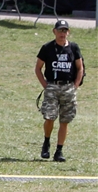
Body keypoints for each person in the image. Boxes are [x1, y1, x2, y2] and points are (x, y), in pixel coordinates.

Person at [35, 19, 84, 162]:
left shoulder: (74, 48)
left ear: (68, 32)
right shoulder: (47, 48)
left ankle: (59, 151)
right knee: (49, 117)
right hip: (52, 86)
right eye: (60, 30)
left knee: (65, 120)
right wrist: (45, 85)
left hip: (68, 87)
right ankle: (46, 143)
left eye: (65, 30)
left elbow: (80, 68)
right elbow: (38, 68)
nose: (62, 33)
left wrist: (75, 85)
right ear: (54, 31)